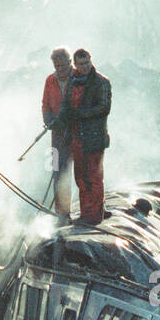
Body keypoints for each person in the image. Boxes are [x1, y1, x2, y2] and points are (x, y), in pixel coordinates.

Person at [65, 48, 111, 226]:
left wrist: (79, 114)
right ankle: (87, 213)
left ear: (91, 61)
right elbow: (67, 104)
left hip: (94, 138)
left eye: (87, 63)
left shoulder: (101, 82)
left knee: (94, 177)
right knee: (81, 177)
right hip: (77, 137)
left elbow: (104, 107)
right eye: (81, 64)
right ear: (75, 64)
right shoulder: (73, 81)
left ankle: (94, 216)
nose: (84, 67)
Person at [41, 47, 75, 220]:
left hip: (77, 133)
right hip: (57, 134)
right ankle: (62, 212)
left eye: (62, 66)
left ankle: (88, 211)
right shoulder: (50, 80)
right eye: (56, 66)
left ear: (70, 63)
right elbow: (45, 103)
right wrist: (48, 119)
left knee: (82, 173)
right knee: (57, 171)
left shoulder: (79, 78)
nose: (59, 70)